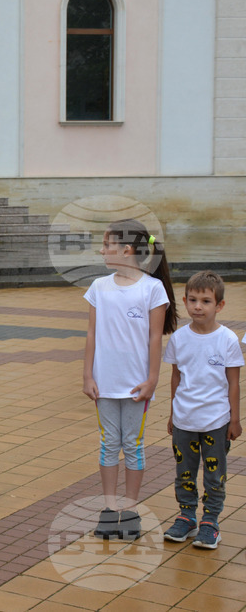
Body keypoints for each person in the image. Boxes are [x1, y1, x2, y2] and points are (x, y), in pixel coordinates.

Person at [82, 218, 177, 540]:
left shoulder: (152, 288)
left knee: (133, 446)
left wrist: (153, 379)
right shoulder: (99, 287)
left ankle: (131, 511)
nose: (101, 249)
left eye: (106, 244)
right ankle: (109, 511)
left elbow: (154, 338)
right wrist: (87, 375)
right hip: (104, 383)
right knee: (109, 444)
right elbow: (92, 334)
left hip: (137, 385)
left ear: (126, 250)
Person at [161, 271, 242, 550]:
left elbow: (233, 382)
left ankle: (210, 522)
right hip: (184, 421)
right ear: (184, 301)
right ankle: (186, 517)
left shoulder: (228, 339)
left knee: (214, 474)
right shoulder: (179, 339)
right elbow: (176, 377)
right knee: (184, 472)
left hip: (216, 422)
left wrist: (235, 418)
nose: (198, 306)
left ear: (219, 305)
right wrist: (173, 413)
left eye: (206, 301)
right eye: (193, 300)